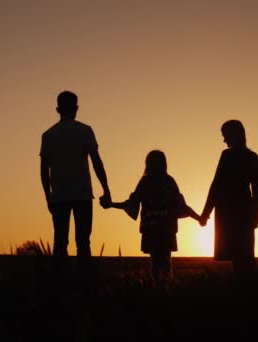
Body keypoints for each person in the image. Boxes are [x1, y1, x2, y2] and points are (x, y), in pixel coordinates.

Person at [100, 150, 201, 290]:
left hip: (151, 228)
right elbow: (181, 206)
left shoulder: (145, 182)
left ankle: (157, 288)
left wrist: (111, 204)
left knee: (155, 261)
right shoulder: (169, 182)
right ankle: (166, 288)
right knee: (165, 259)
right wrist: (199, 218)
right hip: (166, 229)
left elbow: (131, 203)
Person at [40, 90, 111, 269]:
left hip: (59, 197)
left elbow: (43, 171)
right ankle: (84, 283)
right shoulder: (85, 131)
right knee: (83, 242)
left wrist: (48, 197)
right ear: (77, 108)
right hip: (83, 195)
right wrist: (106, 189)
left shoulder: (48, 135)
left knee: (60, 243)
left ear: (57, 109)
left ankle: (60, 284)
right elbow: (97, 162)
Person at [200, 119, 258, 280]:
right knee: (245, 255)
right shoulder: (253, 157)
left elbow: (216, 186)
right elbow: (257, 193)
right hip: (245, 211)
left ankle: (241, 292)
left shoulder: (227, 155)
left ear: (233, 135)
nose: (224, 140)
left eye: (225, 135)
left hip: (229, 211)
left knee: (238, 256)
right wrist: (255, 217)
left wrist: (205, 214)